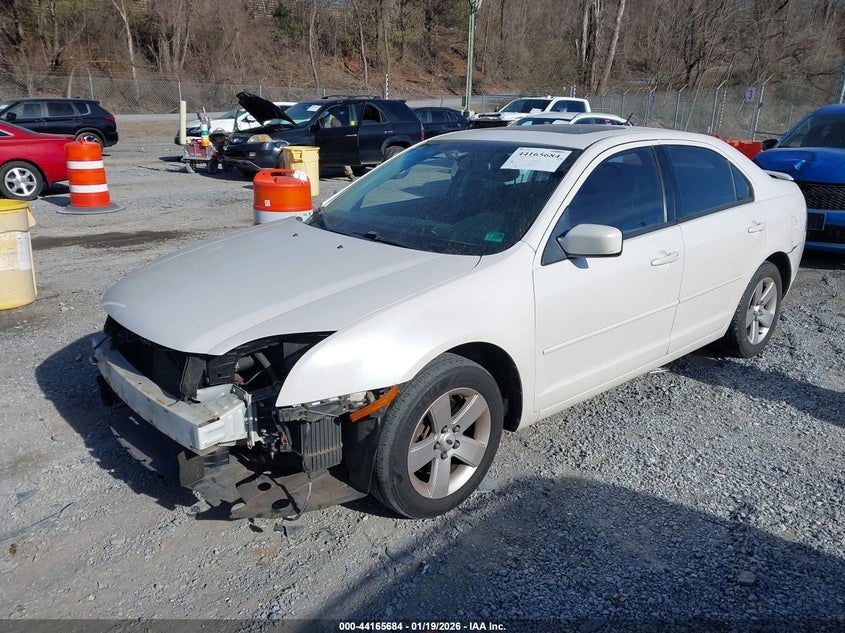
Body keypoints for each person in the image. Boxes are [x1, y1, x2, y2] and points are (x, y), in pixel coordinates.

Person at [320, 110, 355, 181]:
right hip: (325, 141)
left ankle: (350, 174)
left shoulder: (333, 120)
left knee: (341, 157)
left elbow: (339, 132)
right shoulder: (322, 119)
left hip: (333, 142)